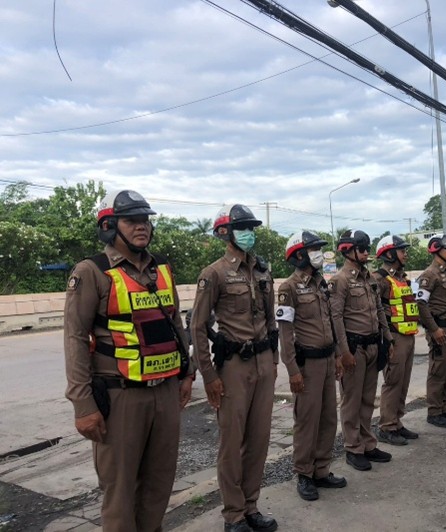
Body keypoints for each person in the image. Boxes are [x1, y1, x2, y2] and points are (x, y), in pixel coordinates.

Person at [64, 189, 194, 531]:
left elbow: (175, 322)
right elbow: (75, 338)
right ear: (109, 226)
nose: (142, 227)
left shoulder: (161, 268)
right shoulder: (92, 271)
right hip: (121, 396)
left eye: (145, 220)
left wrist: (187, 373)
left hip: (165, 391)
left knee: (158, 484)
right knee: (120, 491)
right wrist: (83, 405)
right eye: (131, 220)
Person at [190, 204, 279, 532]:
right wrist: (208, 375)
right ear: (224, 233)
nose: (249, 233)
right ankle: (234, 514)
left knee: (259, 440)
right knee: (232, 443)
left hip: (263, 363)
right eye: (242, 228)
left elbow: (271, 321)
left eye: (251, 228)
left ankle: (251, 506)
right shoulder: (213, 273)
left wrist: (274, 360)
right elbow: (197, 327)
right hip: (233, 367)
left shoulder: (262, 271)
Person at [277, 231, 347, 501]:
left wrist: (338, 355)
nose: (318, 253)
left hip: (328, 360)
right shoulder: (289, 288)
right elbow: (285, 334)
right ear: (299, 255)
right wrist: (293, 370)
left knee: (328, 418)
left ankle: (321, 470)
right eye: (313, 249)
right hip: (307, 365)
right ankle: (304, 474)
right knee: (307, 420)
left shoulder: (321, 284)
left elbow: (329, 320)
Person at [329, 229, 394, 471]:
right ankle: (353, 447)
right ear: (348, 250)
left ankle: (368, 444)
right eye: (362, 249)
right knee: (351, 401)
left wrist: (388, 339)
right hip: (354, 348)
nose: (367, 253)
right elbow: (336, 318)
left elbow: (379, 310)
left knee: (367, 400)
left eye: (368, 248)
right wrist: (343, 352)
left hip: (373, 345)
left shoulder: (369, 278)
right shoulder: (340, 280)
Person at [372, 235, 420, 446]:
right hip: (394, 337)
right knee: (393, 382)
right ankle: (387, 426)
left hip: (408, 335)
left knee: (403, 381)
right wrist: (386, 340)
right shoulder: (379, 279)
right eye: (402, 251)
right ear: (390, 254)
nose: (405, 254)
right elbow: (375, 310)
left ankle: (397, 421)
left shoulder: (401, 278)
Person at [416, 234, 446, 429]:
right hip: (440, 329)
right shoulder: (430, 275)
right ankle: (434, 411)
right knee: (438, 370)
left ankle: (445, 406)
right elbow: (421, 304)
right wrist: (433, 329)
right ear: (436, 250)